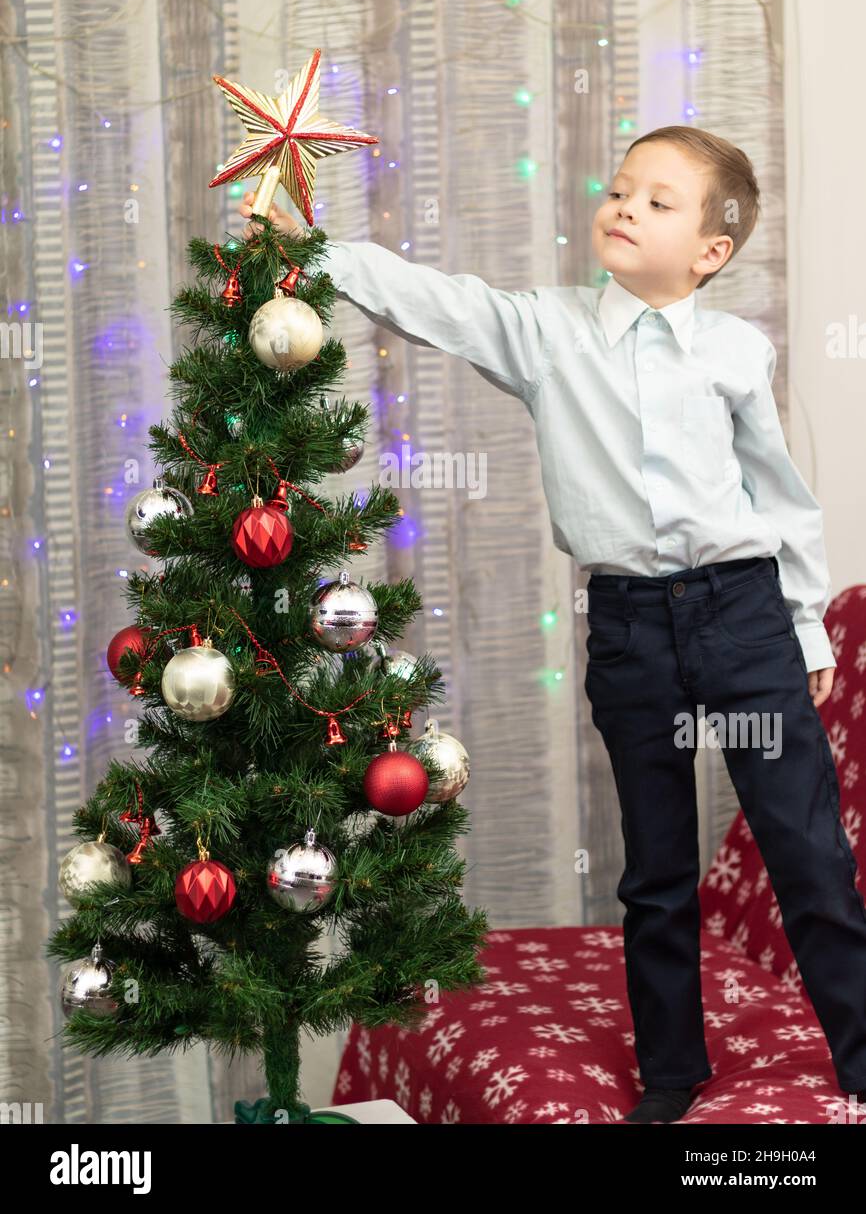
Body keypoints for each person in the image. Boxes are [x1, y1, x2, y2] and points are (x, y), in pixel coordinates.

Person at [238, 125, 866, 1124]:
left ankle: (860, 1060)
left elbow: (778, 496)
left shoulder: (737, 350)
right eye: (619, 189)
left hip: (741, 613)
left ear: (710, 249)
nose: (623, 207)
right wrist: (311, 252)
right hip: (628, 627)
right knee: (654, 869)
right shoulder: (545, 331)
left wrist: (804, 630)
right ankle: (670, 1075)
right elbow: (436, 300)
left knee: (807, 853)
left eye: (657, 201)